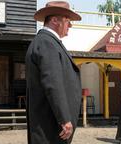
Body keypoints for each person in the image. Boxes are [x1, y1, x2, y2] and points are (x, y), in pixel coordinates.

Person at [25, 1, 82, 144]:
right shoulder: (46, 43)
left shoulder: (47, 42)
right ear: (55, 20)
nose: (70, 25)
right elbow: (53, 83)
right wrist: (64, 118)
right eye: (67, 20)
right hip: (50, 128)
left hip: (50, 125)